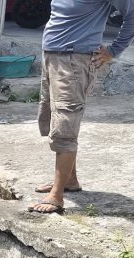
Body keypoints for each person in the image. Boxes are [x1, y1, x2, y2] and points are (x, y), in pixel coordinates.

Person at [29, 0, 134, 214]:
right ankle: (70, 181)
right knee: (55, 120)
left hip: (73, 61)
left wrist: (114, 51)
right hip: (53, 57)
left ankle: (57, 196)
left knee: (65, 127)